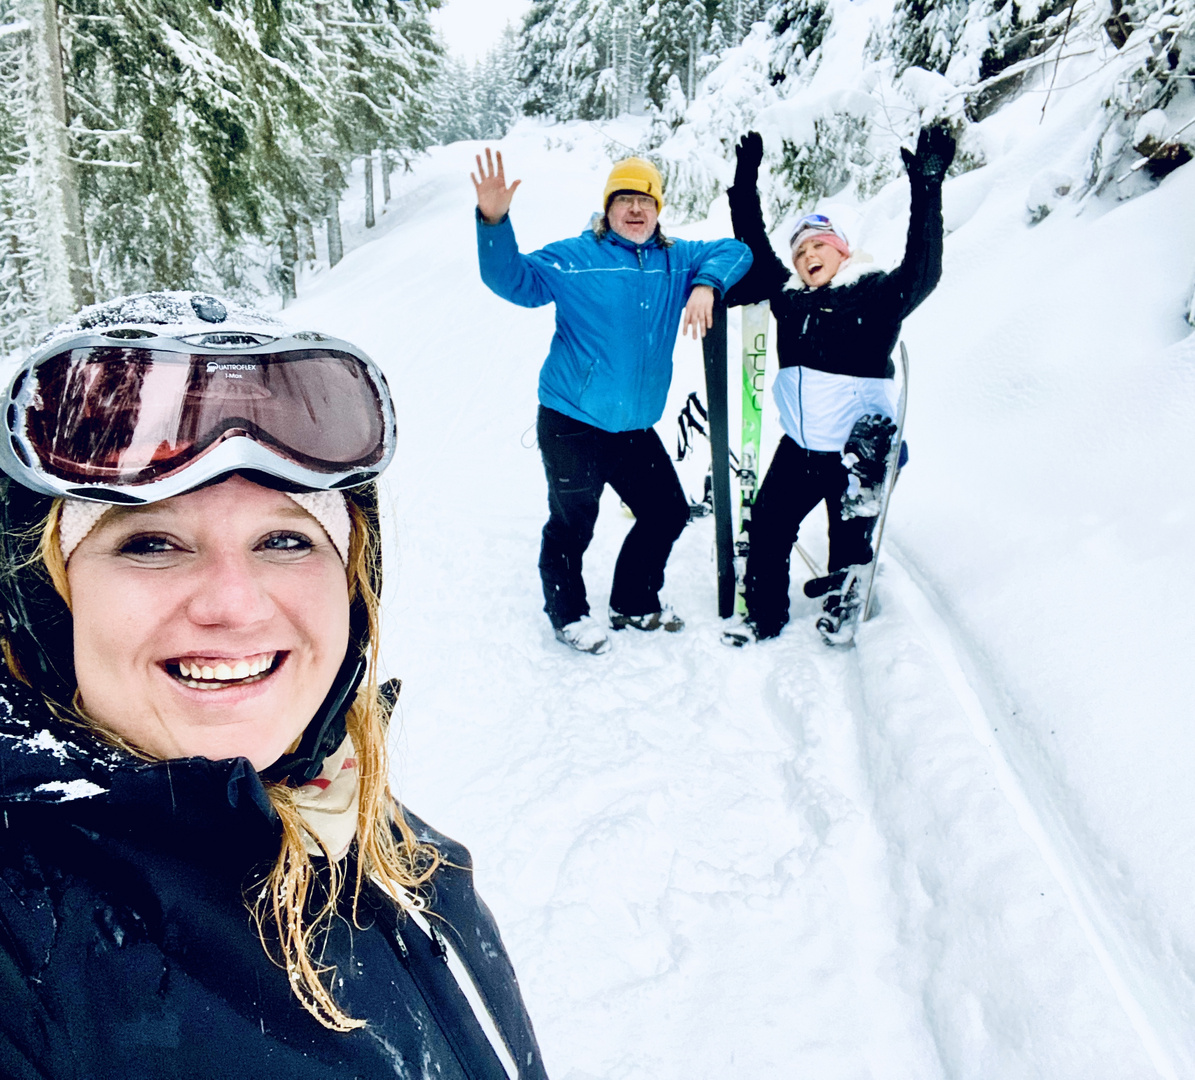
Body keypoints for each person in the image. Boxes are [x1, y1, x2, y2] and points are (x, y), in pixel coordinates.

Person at [0, 292, 547, 1079]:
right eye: (151, 544)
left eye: (286, 539)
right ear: (51, 606)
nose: (234, 602)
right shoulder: (29, 942)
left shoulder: (385, 841)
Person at [473, 149, 752, 654]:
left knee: (666, 512)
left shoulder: (677, 258)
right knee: (572, 523)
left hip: (634, 428)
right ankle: (568, 614)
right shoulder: (577, 257)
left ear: (658, 207)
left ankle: (633, 601)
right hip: (571, 422)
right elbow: (512, 280)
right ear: (608, 208)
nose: (635, 209)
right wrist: (494, 222)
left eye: (644, 199)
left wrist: (707, 284)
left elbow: (737, 250)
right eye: (623, 199)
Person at [722, 125, 956, 646]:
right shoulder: (788, 296)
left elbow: (924, 271)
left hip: (858, 453)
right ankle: (763, 616)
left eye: (819, 244)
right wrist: (745, 179)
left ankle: (844, 608)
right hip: (803, 449)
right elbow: (753, 241)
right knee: (767, 530)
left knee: (848, 542)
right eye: (801, 248)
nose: (808, 254)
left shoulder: (872, 296)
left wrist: (928, 186)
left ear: (842, 252)